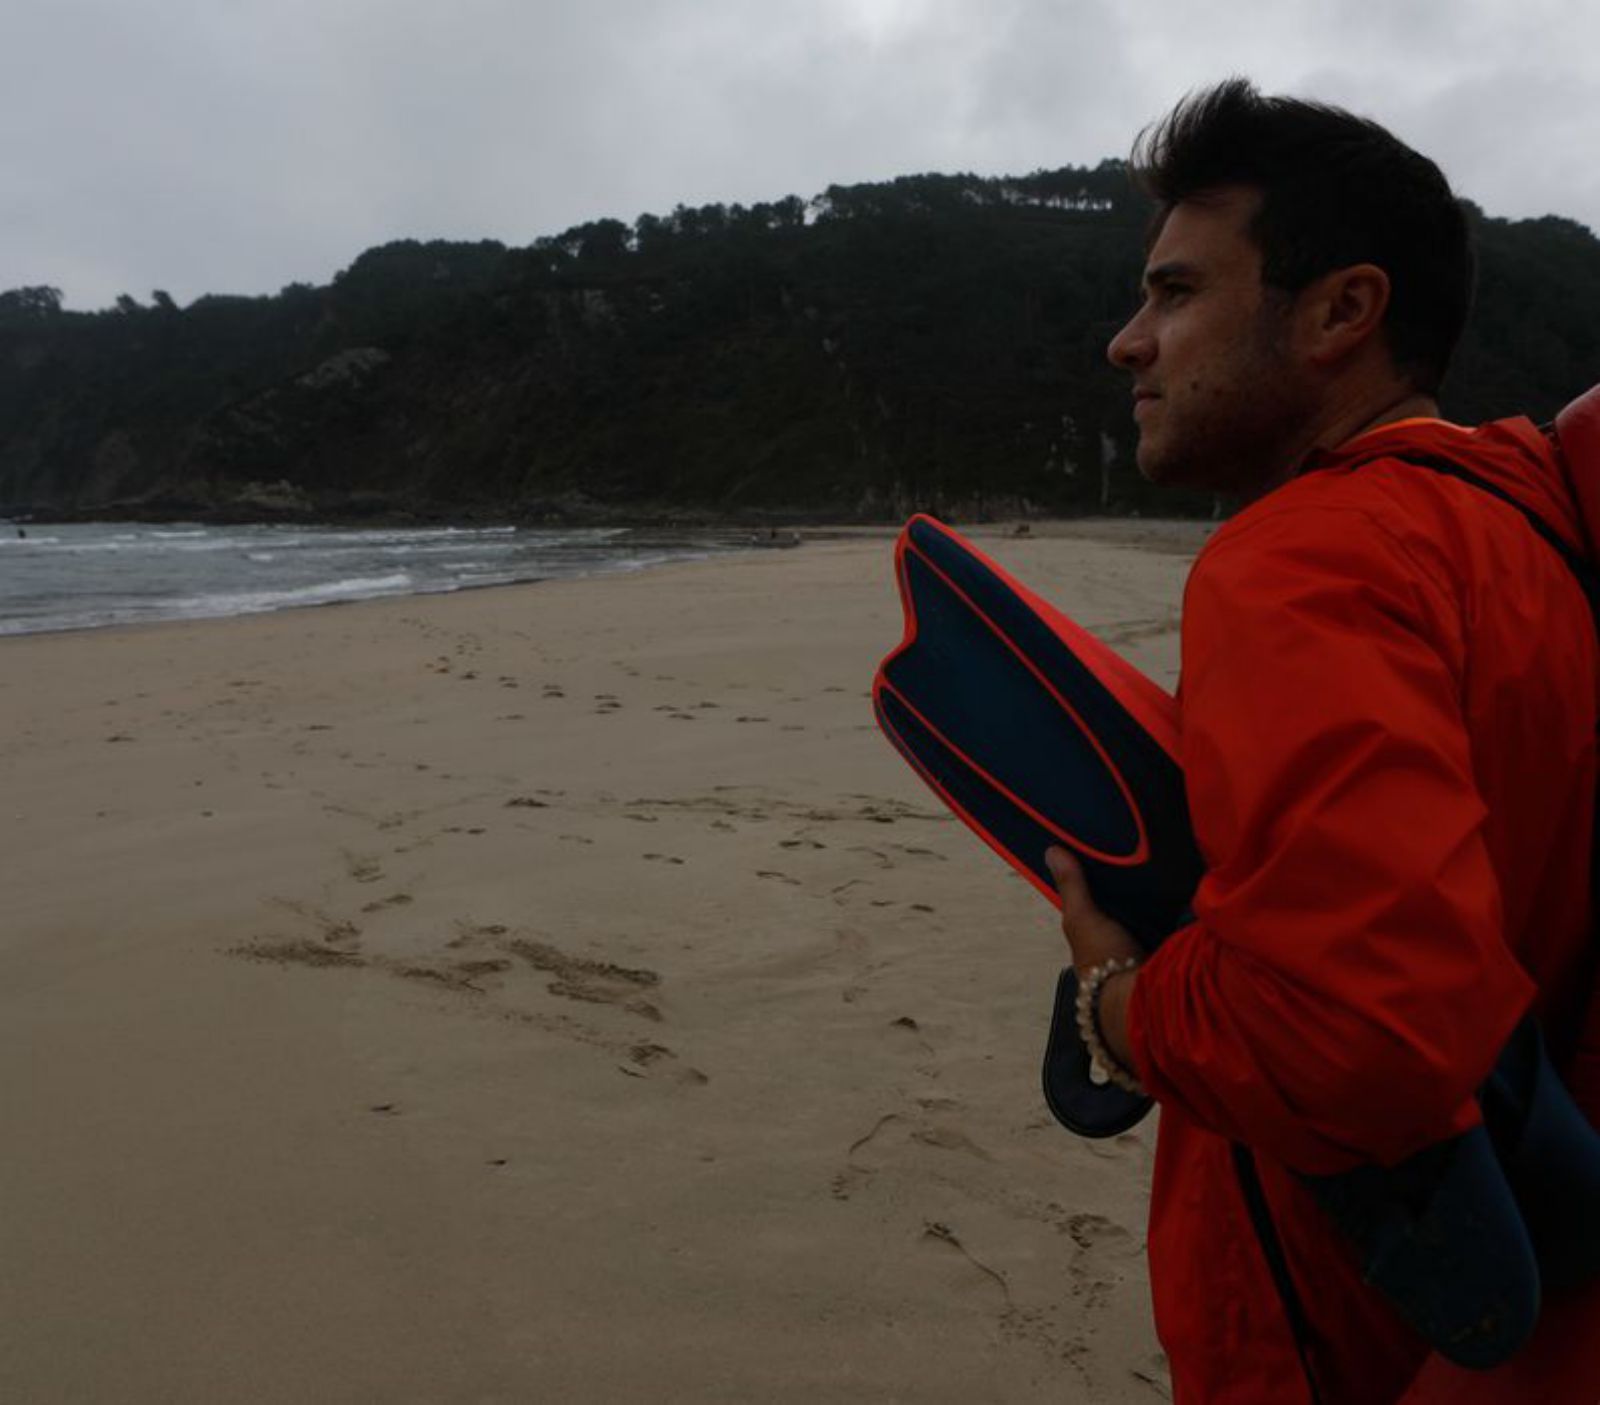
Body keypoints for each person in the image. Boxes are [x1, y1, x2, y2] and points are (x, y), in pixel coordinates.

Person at [1046, 80, 1600, 1403]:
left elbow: (1351, 1026)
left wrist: (1116, 1001)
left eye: (1177, 294)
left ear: (1343, 311)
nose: (1130, 343)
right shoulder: (1536, 536)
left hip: (1350, 1335)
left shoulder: (1308, 554)